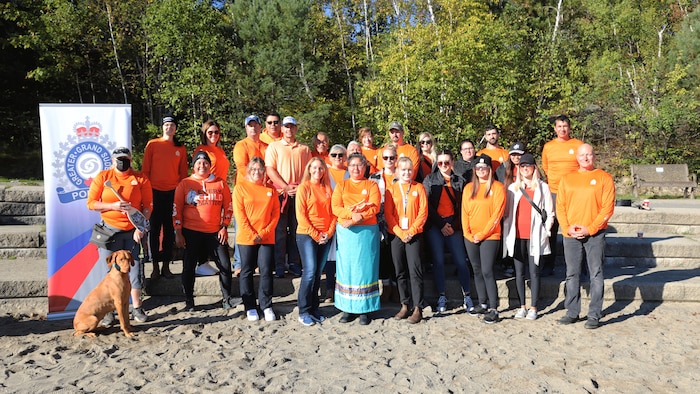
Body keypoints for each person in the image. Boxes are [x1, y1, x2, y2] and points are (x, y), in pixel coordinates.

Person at [87, 147, 152, 324]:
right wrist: (113, 206)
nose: (122, 162)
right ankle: (109, 312)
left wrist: (141, 227)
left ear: (131, 159)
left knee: (135, 270)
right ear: (112, 161)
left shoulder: (140, 178)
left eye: (125, 159)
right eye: (119, 159)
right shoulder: (103, 177)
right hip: (109, 231)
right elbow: (91, 203)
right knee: (110, 273)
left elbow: (147, 206)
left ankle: (137, 308)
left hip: (133, 232)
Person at [556, 144, 615, 329]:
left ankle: (594, 315)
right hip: (571, 234)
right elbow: (561, 206)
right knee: (571, 274)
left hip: (595, 234)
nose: (585, 157)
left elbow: (607, 208)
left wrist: (590, 229)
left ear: (594, 156)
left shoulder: (604, 178)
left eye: (588, 154)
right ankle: (572, 312)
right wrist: (567, 228)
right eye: (582, 155)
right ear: (577, 157)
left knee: (595, 274)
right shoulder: (567, 179)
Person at [173, 152, 241, 312]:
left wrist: (224, 226)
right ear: (194, 165)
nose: (202, 166)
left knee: (224, 265)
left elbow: (229, 206)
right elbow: (176, 208)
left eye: (205, 163)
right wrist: (178, 231)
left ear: (210, 165)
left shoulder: (220, 183)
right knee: (188, 266)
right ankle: (189, 300)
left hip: (214, 232)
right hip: (191, 231)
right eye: (199, 163)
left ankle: (227, 298)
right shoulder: (185, 183)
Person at [502, 153, 554, 321]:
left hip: (535, 235)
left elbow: (550, 212)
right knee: (518, 272)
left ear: (534, 168)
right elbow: (507, 212)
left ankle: (534, 307)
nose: (525, 169)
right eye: (522, 166)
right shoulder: (513, 188)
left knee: (534, 271)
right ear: (519, 168)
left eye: (528, 166)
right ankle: (522, 306)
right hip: (517, 236)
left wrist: (546, 230)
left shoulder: (543, 187)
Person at [331, 153, 381, 325]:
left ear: (365, 166)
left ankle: (365, 309)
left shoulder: (372, 184)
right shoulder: (341, 185)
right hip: (347, 233)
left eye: (359, 165)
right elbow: (335, 207)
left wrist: (356, 219)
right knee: (348, 269)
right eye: (352, 165)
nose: (356, 168)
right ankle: (347, 308)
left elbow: (374, 206)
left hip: (366, 231)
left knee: (365, 269)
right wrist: (351, 216)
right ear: (348, 167)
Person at [423, 150, 474, 313]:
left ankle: (467, 294)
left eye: (446, 162)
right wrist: (441, 225)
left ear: (452, 162)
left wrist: (454, 225)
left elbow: (464, 206)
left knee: (461, 261)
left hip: (454, 223)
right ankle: (441, 295)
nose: (443, 166)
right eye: (440, 163)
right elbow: (427, 205)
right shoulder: (430, 180)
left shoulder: (459, 180)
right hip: (436, 225)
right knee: (438, 262)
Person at [234, 157, 281, 322]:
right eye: (253, 169)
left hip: (266, 237)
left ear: (264, 171)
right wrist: (253, 234)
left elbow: (275, 214)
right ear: (248, 170)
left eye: (260, 169)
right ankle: (250, 306)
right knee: (246, 270)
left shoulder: (271, 190)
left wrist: (265, 232)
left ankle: (266, 305)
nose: (257, 172)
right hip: (247, 237)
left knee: (266, 270)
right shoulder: (240, 188)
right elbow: (240, 216)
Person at [265, 116, 312, 278]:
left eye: (292, 127)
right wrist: (285, 186)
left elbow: (309, 171)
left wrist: (300, 187)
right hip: (280, 193)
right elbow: (270, 169)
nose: (289, 130)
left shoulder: (304, 149)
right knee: (279, 231)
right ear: (282, 129)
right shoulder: (274, 146)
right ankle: (279, 265)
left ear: (296, 129)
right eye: (286, 127)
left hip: (299, 194)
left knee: (297, 229)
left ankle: (294, 262)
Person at [142, 115, 188, 280]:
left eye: (172, 125)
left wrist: (181, 192)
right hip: (154, 192)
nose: (169, 127)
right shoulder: (153, 144)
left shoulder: (180, 148)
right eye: (166, 125)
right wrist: (146, 192)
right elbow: (145, 170)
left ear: (176, 128)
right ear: (162, 127)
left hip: (172, 193)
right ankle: (154, 266)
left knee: (170, 231)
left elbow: (183, 173)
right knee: (154, 231)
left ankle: (166, 266)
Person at [462, 154, 506, 324]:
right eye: (478, 168)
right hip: (471, 236)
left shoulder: (498, 187)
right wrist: (468, 234)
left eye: (484, 167)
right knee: (477, 269)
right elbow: (464, 212)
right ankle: (482, 302)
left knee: (487, 270)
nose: (481, 170)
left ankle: (494, 308)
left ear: (490, 169)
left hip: (490, 236)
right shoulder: (468, 188)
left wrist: (482, 234)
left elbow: (497, 215)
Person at [385, 157, 428, 323]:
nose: (406, 173)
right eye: (403, 170)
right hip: (397, 234)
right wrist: (400, 232)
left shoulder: (419, 187)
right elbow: (388, 214)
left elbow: (423, 212)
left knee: (415, 270)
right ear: (397, 171)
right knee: (399, 270)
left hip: (414, 234)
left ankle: (418, 307)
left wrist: (411, 231)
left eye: (409, 170)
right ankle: (405, 304)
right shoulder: (392, 189)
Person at [541, 114, 584, 277]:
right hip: (554, 193)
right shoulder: (549, 146)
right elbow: (546, 167)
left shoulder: (578, 145)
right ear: (555, 128)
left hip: (574, 193)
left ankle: (579, 266)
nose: (562, 129)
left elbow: (584, 165)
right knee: (551, 229)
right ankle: (548, 265)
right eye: (559, 126)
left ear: (569, 127)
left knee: (576, 228)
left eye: (565, 126)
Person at [295, 157, 337, 326]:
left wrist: (328, 232)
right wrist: (315, 234)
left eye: (321, 168)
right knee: (310, 271)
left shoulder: (327, 188)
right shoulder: (304, 188)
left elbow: (334, 213)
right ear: (309, 169)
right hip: (307, 235)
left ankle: (314, 309)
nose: (318, 171)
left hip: (325, 236)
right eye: (315, 168)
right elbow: (301, 216)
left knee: (318, 273)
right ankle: (303, 310)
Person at [232, 115, 268, 276]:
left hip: (263, 193)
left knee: (260, 226)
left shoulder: (267, 146)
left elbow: (270, 167)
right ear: (246, 128)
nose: (253, 128)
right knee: (242, 226)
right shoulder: (241, 145)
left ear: (261, 127)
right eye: (250, 125)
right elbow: (242, 167)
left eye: (256, 125)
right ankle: (239, 263)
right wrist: (256, 182)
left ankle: (258, 263)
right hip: (245, 191)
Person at [369, 144, 399, 302]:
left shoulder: (402, 176)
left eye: (392, 157)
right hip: (379, 221)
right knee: (382, 256)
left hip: (398, 221)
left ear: (396, 159)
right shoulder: (374, 177)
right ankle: (386, 286)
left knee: (396, 256)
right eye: (385, 157)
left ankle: (396, 287)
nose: (389, 160)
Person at [324, 144, 350, 302]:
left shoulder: (350, 172)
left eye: (341, 155)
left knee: (342, 254)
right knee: (329, 255)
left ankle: (342, 288)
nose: (338, 158)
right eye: (334, 155)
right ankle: (328, 288)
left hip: (345, 219)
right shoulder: (325, 173)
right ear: (329, 156)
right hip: (327, 217)